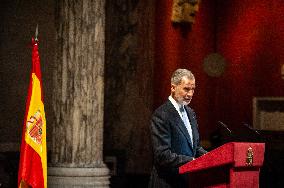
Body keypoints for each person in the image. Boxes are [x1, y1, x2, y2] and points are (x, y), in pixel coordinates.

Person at [149, 68, 207, 188]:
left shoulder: (191, 113)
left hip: (188, 182)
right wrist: (193, 161)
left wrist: (212, 157)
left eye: (193, 89)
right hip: (166, 183)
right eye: (186, 89)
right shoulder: (161, 114)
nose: (190, 94)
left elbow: (195, 148)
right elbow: (162, 155)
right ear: (173, 87)